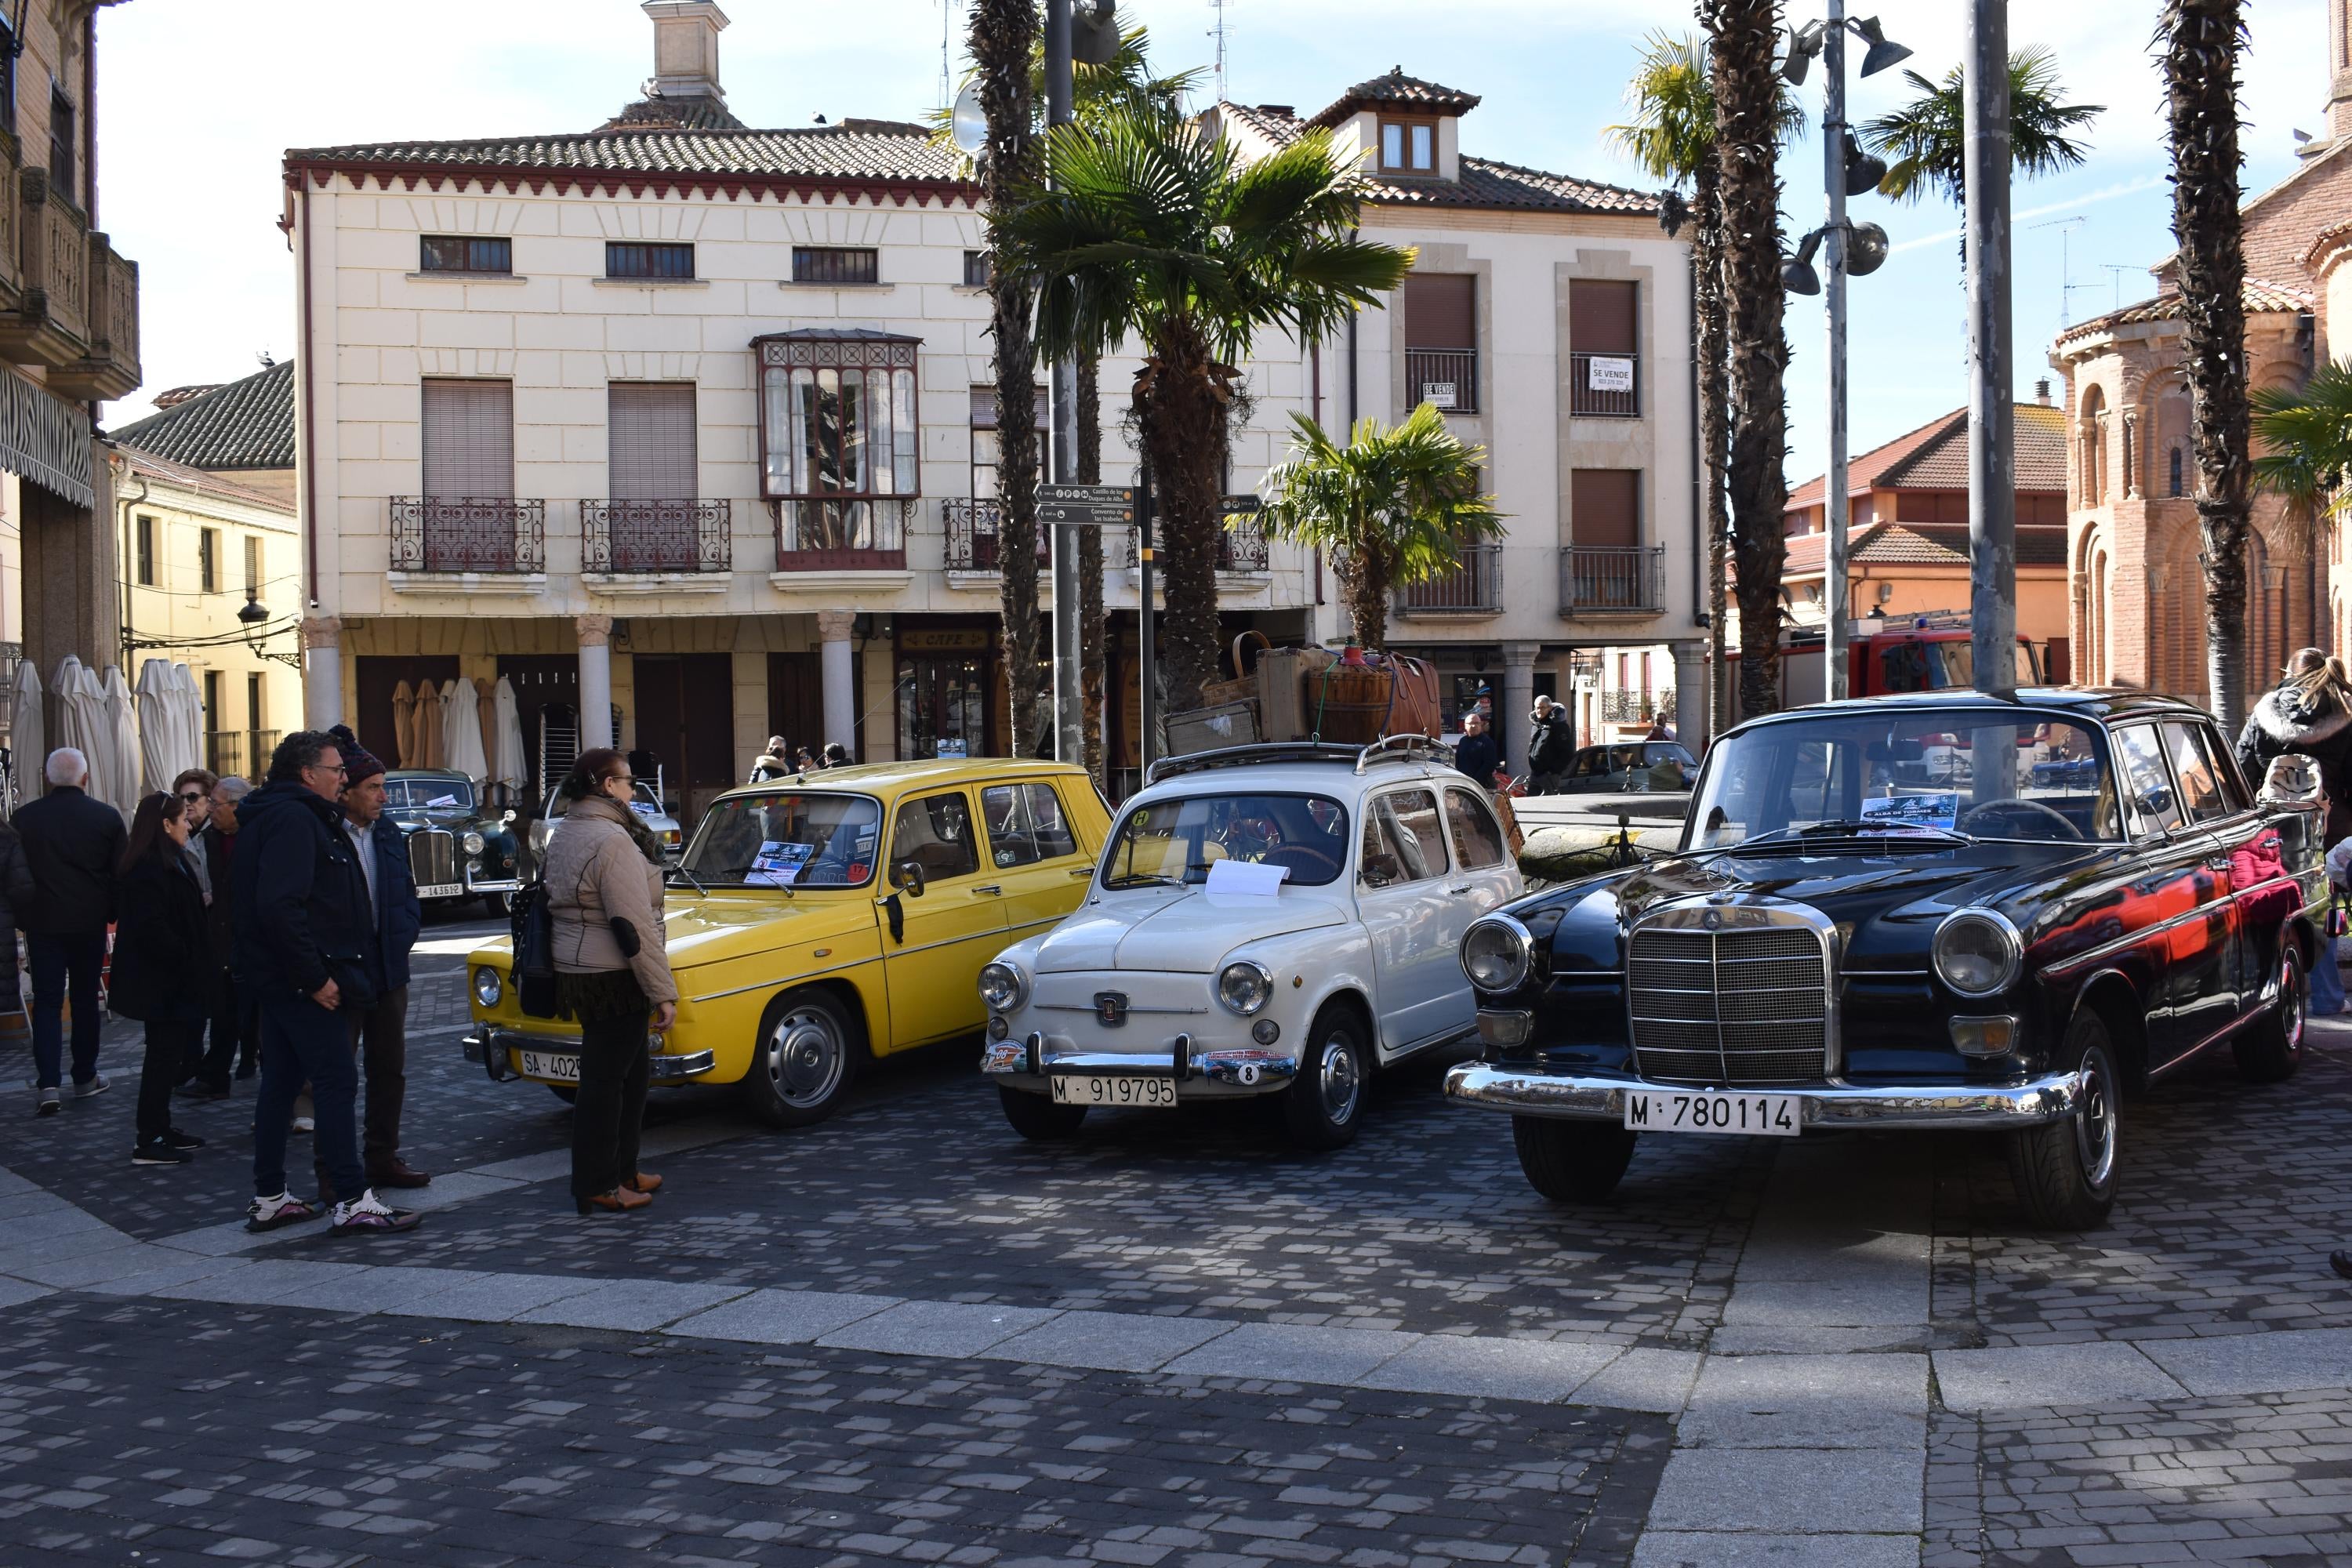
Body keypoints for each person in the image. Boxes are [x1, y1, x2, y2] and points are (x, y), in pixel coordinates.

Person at [233, 731, 419, 1236]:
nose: (343, 780)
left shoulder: (274, 814)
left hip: (279, 978)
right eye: (337, 771)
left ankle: (271, 1195)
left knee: (281, 1084)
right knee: (336, 1082)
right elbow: (280, 906)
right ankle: (351, 1199)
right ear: (307, 774)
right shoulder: (295, 818)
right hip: (300, 981)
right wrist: (314, 977)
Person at [543, 747, 677, 1216]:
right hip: (611, 973)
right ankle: (598, 1183)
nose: (633, 789)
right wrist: (663, 992)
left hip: (582, 968)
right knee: (605, 1081)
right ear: (606, 785)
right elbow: (632, 925)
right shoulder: (611, 839)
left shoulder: (567, 829)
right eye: (627, 781)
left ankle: (623, 1168)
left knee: (632, 1074)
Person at [322, 726, 430, 1192]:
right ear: (346, 791)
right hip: (343, 972)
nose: (384, 797)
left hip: (389, 968)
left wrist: (404, 932)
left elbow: (406, 890)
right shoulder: (323, 831)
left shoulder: (386, 831)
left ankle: (382, 1156)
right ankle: (333, 1171)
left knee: (390, 1070)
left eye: (384, 787)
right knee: (337, 1075)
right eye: (374, 788)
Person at [13, 747, 125, 1116]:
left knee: (46, 1002)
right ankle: (84, 1076)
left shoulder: (24, 819)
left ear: (47, 777)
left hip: (42, 923)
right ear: (85, 777)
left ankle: (48, 1084)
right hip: (88, 922)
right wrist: (110, 911)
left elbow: (15, 875)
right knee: (84, 1001)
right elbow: (118, 876)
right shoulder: (106, 818)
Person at [108, 792, 212, 1166]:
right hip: (163, 981)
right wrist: (185, 955)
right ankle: (148, 1137)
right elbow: (153, 928)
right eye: (183, 819)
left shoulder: (167, 859)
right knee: (162, 1059)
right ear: (164, 824)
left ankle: (160, 1127)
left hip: (173, 979)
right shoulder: (149, 866)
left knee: (167, 1057)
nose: (189, 825)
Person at [186, 775, 259, 1090]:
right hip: (220, 936)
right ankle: (214, 1076)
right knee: (222, 1010)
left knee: (254, 1011)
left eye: (215, 804)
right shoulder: (210, 839)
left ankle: (253, 1065)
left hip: (253, 937)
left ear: (237, 806)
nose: (210, 810)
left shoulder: (256, 837)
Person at [2238, 650, 2352, 844]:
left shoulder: (2264, 712)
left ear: (2289, 675)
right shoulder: (2345, 712)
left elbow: (2244, 768)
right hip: (2332, 822)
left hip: (2274, 822)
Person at [169, 769, 225, 1097]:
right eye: (182, 798)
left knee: (218, 1005)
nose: (187, 804)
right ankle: (189, 1064)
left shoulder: (217, 836)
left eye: (193, 797)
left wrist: (214, 895)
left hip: (215, 929)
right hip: (189, 931)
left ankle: (215, 1070)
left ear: (208, 801)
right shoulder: (176, 835)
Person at [1526, 696, 1572, 796]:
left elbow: (1567, 753)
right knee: (1530, 804)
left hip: (1549, 775)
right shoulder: (1536, 725)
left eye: (1542, 708)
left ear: (1550, 708)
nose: (1539, 710)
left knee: (1548, 805)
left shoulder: (1559, 726)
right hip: (1535, 773)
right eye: (1537, 708)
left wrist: (1552, 772)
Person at [1454, 710, 1501, 788]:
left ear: (1481, 725)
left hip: (1482, 786)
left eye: (1477, 723)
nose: (1474, 726)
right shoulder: (1463, 741)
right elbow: (1458, 762)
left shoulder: (1487, 741)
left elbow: (1490, 764)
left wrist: (1475, 780)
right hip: (1465, 784)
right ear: (1465, 726)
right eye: (1471, 723)